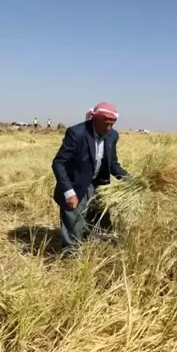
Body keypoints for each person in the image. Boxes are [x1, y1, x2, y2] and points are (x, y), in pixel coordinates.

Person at [52, 102, 128, 247]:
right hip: (76, 184)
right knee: (74, 224)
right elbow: (58, 163)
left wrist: (130, 180)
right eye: (106, 124)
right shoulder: (77, 133)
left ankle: (102, 249)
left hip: (98, 184)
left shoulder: (112, 136)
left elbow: (112, 164)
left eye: (112, 124)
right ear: (95, 119)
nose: (109, 128)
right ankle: (72, 256)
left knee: (101, 220)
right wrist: (69, 192)